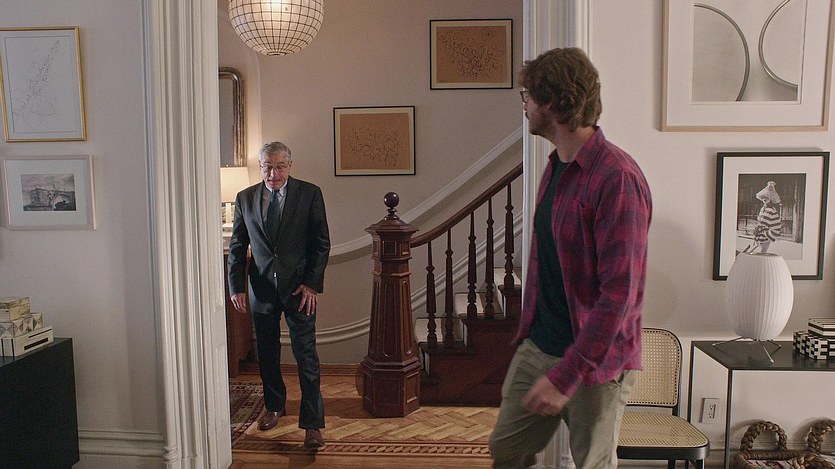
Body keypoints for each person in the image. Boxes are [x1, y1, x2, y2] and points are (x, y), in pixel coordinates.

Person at [488, 48, 652, 468]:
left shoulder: (617, 178)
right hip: (540, 344)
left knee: (592, 464)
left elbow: (620, 295)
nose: (524, 105)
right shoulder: (556, 166)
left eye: (527, 95)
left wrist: (567, 374)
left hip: (597, 362)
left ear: (553, 102)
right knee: (507, 450)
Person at [227, 141, 330, 449]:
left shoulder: (309, 194)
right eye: (267, 167)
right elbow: (237, 247)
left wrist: (311, 284)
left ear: (290, 166)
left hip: (299, 290)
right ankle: (274, 406)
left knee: (306, 356)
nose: (273, 174)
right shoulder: (245, 198)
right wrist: (236, 286)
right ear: (261, 167)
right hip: (261, 290)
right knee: (268, 354)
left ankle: (312, 424)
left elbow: (321, 243)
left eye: (279, 167)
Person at [748, 181, 781, 253]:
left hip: (765, 235)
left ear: (771, 199)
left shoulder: (771, 210)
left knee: (762, 252)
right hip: (760, 233)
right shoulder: (762, 208)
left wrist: (764, 231)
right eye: (763, 198)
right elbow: (760, 221)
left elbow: (772, 223)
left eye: (767, 198)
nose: (765, 199)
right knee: (758, 251)